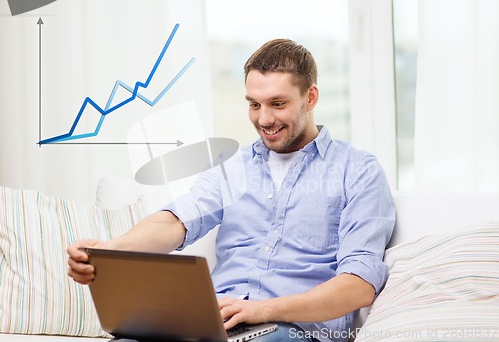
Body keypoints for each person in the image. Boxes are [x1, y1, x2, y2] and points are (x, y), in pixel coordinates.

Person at [67, 39, 395, 342]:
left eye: (277, 103)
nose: (264, 119)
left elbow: (359, 285)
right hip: (215, 324)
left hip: (293, 332)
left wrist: (262, 310)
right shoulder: (232, 167)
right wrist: (109, 252)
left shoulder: (358, 171)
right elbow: (176, 222)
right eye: (254, 104)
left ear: (310, 98)